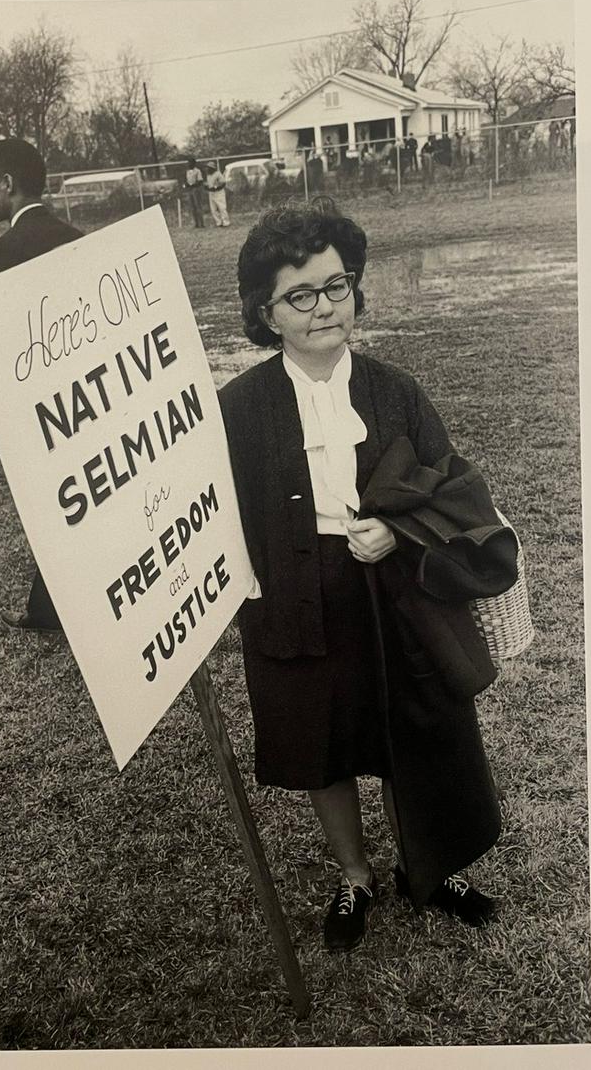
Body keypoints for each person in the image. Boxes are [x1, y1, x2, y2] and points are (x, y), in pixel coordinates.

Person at [219, 199, 513, 953]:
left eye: (336, 285)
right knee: (324, 739)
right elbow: (211, 513)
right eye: (300, 295)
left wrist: (399, 529)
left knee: (418, 725)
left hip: (396, 592)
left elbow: (452, 488)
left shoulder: (395, 390)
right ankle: (353, 876)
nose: (324, 307)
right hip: (294, 596)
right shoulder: (238, 408)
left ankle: (436, 864)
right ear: (266, 312)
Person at [0, 137, 84, 633]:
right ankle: (47, 606)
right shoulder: (76, 236)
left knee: (54, 501)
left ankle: (47, 609)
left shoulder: (8, 248)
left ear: (7, 183)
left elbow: (6, 340)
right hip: (86, 392)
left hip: (40, 400)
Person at [205, 161, 230, 227]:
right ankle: (218, 222)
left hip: (219, 193)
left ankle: (226, 222)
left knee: (222, 208)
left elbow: (223, 183)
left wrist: (216, 188)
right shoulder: (208, 175)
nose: (207, 169)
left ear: (212, 168)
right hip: (211, 193)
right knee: (213, 209)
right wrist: (207, 187)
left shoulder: (218, 174)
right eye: (207, 167)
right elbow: (209, 184)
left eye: (208, 167)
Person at [185, 157, 206, 228]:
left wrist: (193, 185)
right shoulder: (188, 171)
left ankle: (201, 223)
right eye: (188, 163)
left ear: (194, 163)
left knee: (198, 206)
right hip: (190, 190)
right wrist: (187, 184)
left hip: (196, 189)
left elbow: (200, 181)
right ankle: (196, 223)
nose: (189, 164)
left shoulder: (197, 171)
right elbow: (187, 181)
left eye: (190, 162)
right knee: (192, 207)